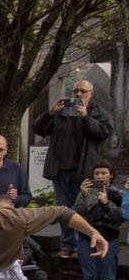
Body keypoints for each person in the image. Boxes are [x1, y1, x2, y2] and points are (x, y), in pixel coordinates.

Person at [32, 79, 115, 258]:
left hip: (85, 171)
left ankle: (81, 247)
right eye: (75, 91)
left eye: (82, 91)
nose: (78, 95)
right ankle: (66, 245)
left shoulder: (99, 113)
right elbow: (38, 129)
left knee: (85, 209)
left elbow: (102, 133)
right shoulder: (61, 113)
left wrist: (85, 116)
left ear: (91, 94)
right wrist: (50, 113)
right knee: (64, 209)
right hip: (60, 170)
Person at [73, 161, 122, 280]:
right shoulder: (85, 192)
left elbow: (119, 217)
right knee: (90, 278)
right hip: (87, 240)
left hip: (109, 240)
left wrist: (106, 202)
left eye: (104, 173)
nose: (100, 176)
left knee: (108, 279)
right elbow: (75, 215)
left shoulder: (117, 193)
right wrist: (85, 196)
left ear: (111, 175)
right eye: (97, 174)